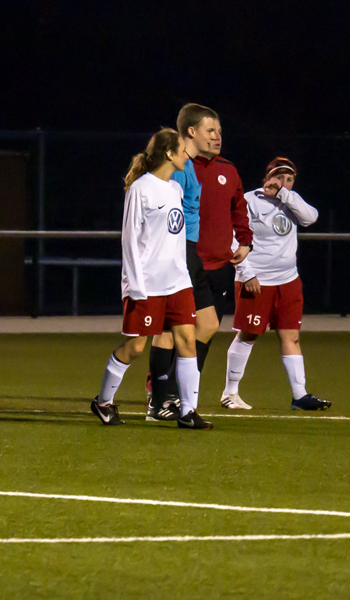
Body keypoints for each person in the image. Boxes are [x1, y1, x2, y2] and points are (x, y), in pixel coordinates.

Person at [91, 128, 213, 430]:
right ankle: (103, 402)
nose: (188, 154)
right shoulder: (140, 189)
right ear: (170, 153)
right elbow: (129, 240)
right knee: (134, 348)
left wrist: (184, 274)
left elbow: (175, 237)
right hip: (147, 285)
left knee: (187, 342)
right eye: (183, 149)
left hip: (177, 282)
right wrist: (134, 286)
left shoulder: (175, 189)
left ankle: (188, 412)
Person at [147, 104, 253, 417]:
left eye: (219, 131)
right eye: (211, 131)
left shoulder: (226, 170)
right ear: (191, 132)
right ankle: (160, 396)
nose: (218, 137)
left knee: (205, 326)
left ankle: (177, 394)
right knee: (168, 330)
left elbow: (239, 210)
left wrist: (245, 241)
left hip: (214, 264)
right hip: (182, 258)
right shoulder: (178, 168)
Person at [221, 157, 331, 411]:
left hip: (288, 281)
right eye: (279, 177)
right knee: (248, 335)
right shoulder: (249, 200)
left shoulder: (292, 201)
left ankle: (299, 395)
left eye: (289, 179)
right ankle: (230, 392)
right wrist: (245, 272)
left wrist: (285, 194)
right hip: (257, 281)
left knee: (291, 336)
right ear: (267, 177)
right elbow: (232, 237)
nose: (283, 182)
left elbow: (311, 217)